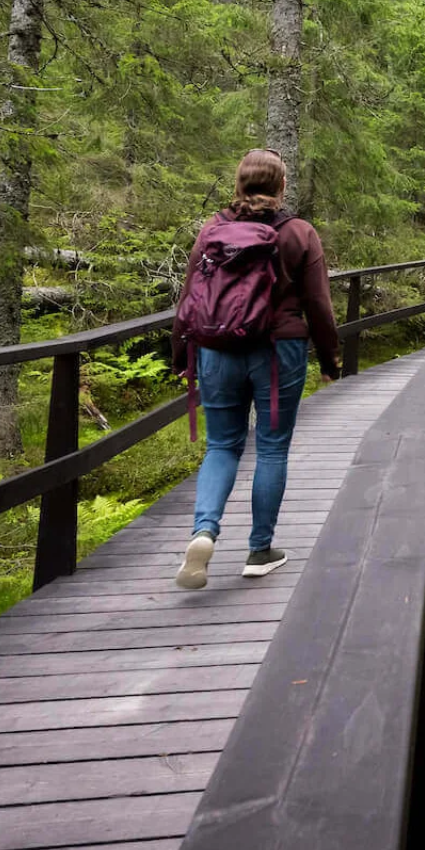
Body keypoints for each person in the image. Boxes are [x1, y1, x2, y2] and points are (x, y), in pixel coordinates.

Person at [172, 149, 340, 589]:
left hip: (216, 350)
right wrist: (330, 360)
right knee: (270, 448)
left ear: (239, 185)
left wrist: (180, 355)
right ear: (281, 186)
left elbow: (190, 295)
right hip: (277, 352)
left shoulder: (213, 230)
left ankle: (204, 532)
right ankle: (260, 549)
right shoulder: (300, 233)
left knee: (221, 446)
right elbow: (319, 305)